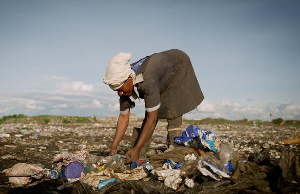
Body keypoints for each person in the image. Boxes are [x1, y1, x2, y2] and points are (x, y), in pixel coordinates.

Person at [103, 49, 204, 163]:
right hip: (159, 72)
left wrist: (137, 149)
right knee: (152, 109)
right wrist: (114, 146)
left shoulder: (147, 81)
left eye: (120, 89)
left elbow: (152, 118)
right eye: (117, 90)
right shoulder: (123, 79)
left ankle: (174, 147)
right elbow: (123, 117)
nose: (120, 93)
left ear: (129, 79)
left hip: (178, 65)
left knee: (172, 108)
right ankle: (139, 151)